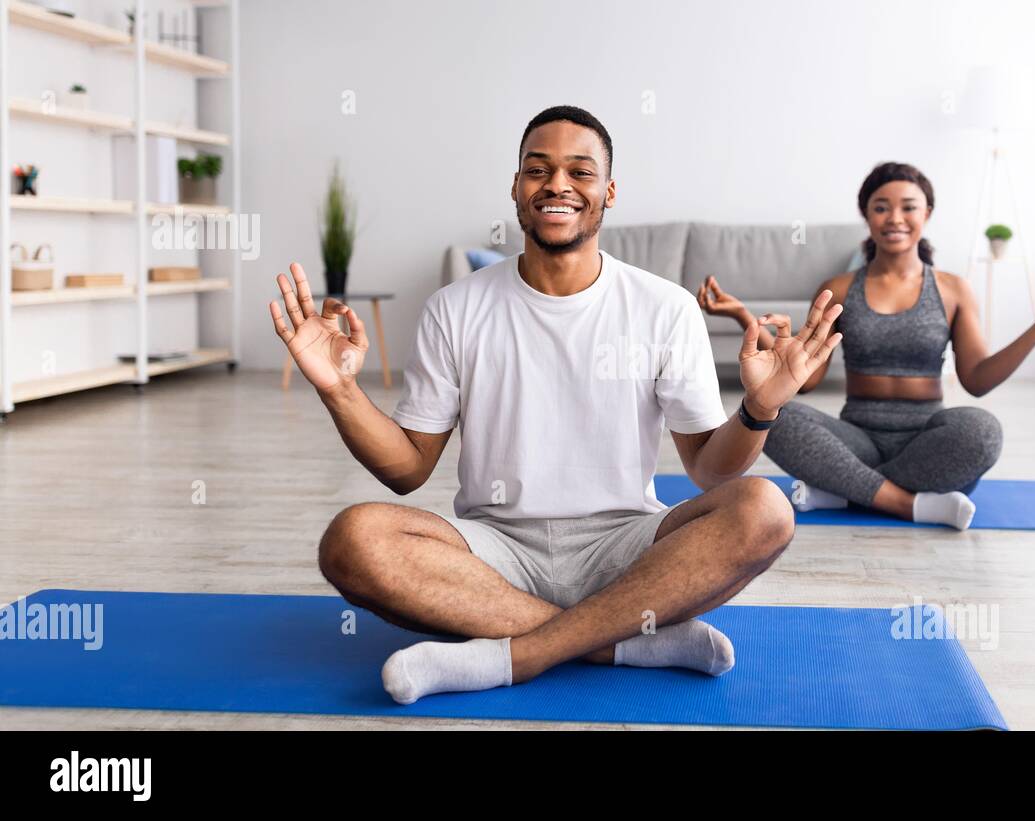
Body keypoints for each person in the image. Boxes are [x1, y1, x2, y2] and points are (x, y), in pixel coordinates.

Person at [269, 105, 842, 703]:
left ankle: (513, 655)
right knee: (352, 539)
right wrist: (339, 389)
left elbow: (710, 471)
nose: (557, 185)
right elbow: (407, 470)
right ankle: (621, 641)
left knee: (766, 509)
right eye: (537, 169)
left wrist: (759, 407)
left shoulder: (665, 308)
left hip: (627, 547)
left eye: (580, 171)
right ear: (516, 187)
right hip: (494, 552)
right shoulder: (454, 308)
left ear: (609, 191)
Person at [698, 161, 1035, 530]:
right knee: (774, 414)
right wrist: (744, 317)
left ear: (927, 214)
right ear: (866, 215)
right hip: (855, 440)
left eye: (908, 207)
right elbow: (806, 380)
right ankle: (909, 504)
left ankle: (844, 490)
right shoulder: (839, 288)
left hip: (926, 442)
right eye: (881, 208)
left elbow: (976, 380)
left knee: (983, 432)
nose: (895, 218)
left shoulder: (953, 290)